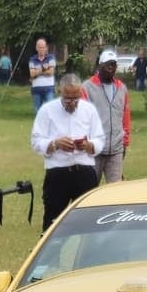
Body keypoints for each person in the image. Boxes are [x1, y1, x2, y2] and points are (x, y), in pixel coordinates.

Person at [32, 74, 110, 224]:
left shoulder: (89, 110)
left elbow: (100, 139)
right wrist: (55, 144)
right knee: (53, 221)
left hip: (84, 173)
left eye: (76, 98)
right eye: (68, 98)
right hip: (57, 174)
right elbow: (36, 141)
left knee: (88, 221)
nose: (72, 103)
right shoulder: (47, 110)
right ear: (60, 92)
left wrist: (89, 145)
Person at [87, 53, 131, 186]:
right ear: (100, 65)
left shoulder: (121, 88)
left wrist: (125, 142)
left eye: (114, 64)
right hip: (94, 150)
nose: (111, 67)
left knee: (115, 192)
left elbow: (125, 117)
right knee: (89, 190)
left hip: (116, 149)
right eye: (108, 64)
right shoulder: (87, 88)